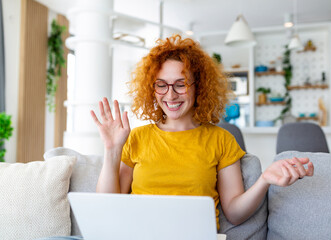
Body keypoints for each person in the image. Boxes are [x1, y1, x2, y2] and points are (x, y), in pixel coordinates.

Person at [91, 34, 314, 230]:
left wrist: (264, 180)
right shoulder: (137, 138)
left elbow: (235, 214)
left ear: (199, 86)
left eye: (181, 84)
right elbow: (107, 208)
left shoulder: (221, 140)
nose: (170, 95)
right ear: (152, 88)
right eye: (162, 85)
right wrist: (112, 150)